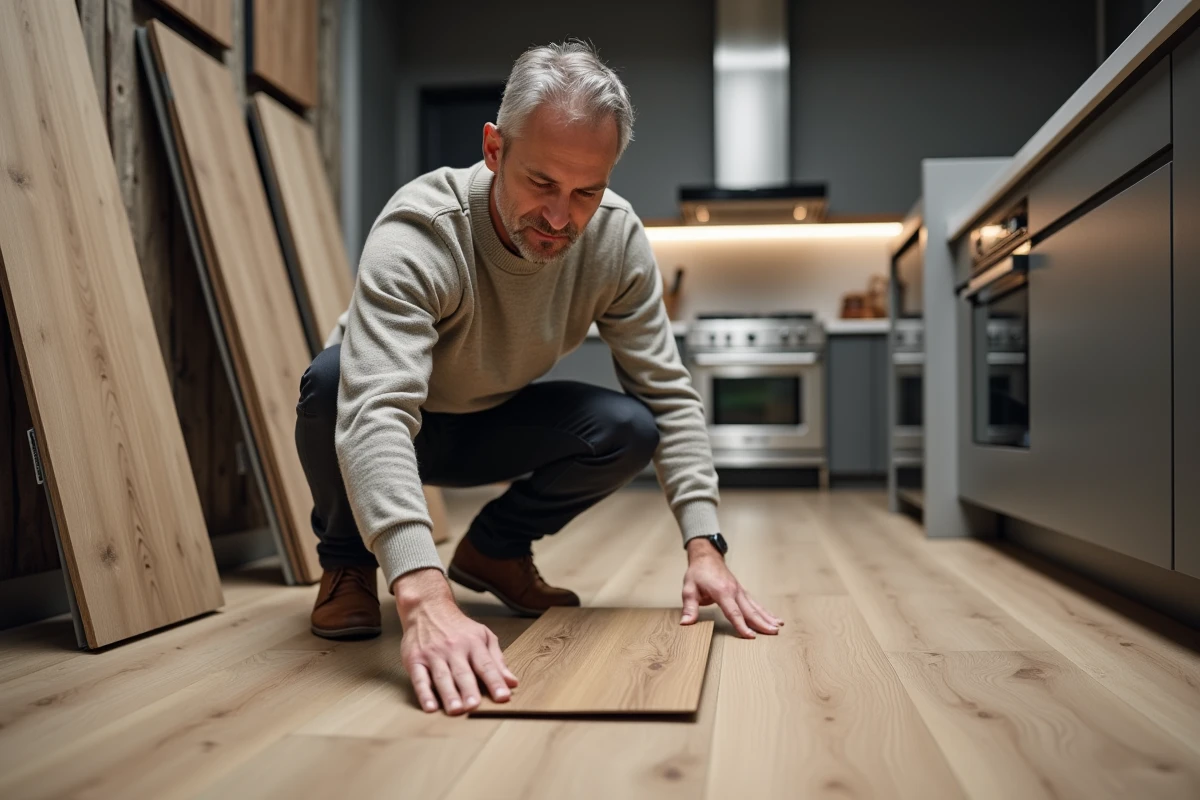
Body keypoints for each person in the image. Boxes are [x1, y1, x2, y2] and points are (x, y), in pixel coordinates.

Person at [294, 40, 783, 716]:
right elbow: (376, 413)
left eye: (587, 191)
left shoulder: (613, 242)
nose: (560, 218)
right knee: (332, 377)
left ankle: (494, 551)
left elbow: (666, 396)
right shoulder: (422, 229)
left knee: (628, 427)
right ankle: (348, 561)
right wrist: (424, 595)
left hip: (490, 424)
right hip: (383, 427)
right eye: (541, 183)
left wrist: (705, 543)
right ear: (495, 150)